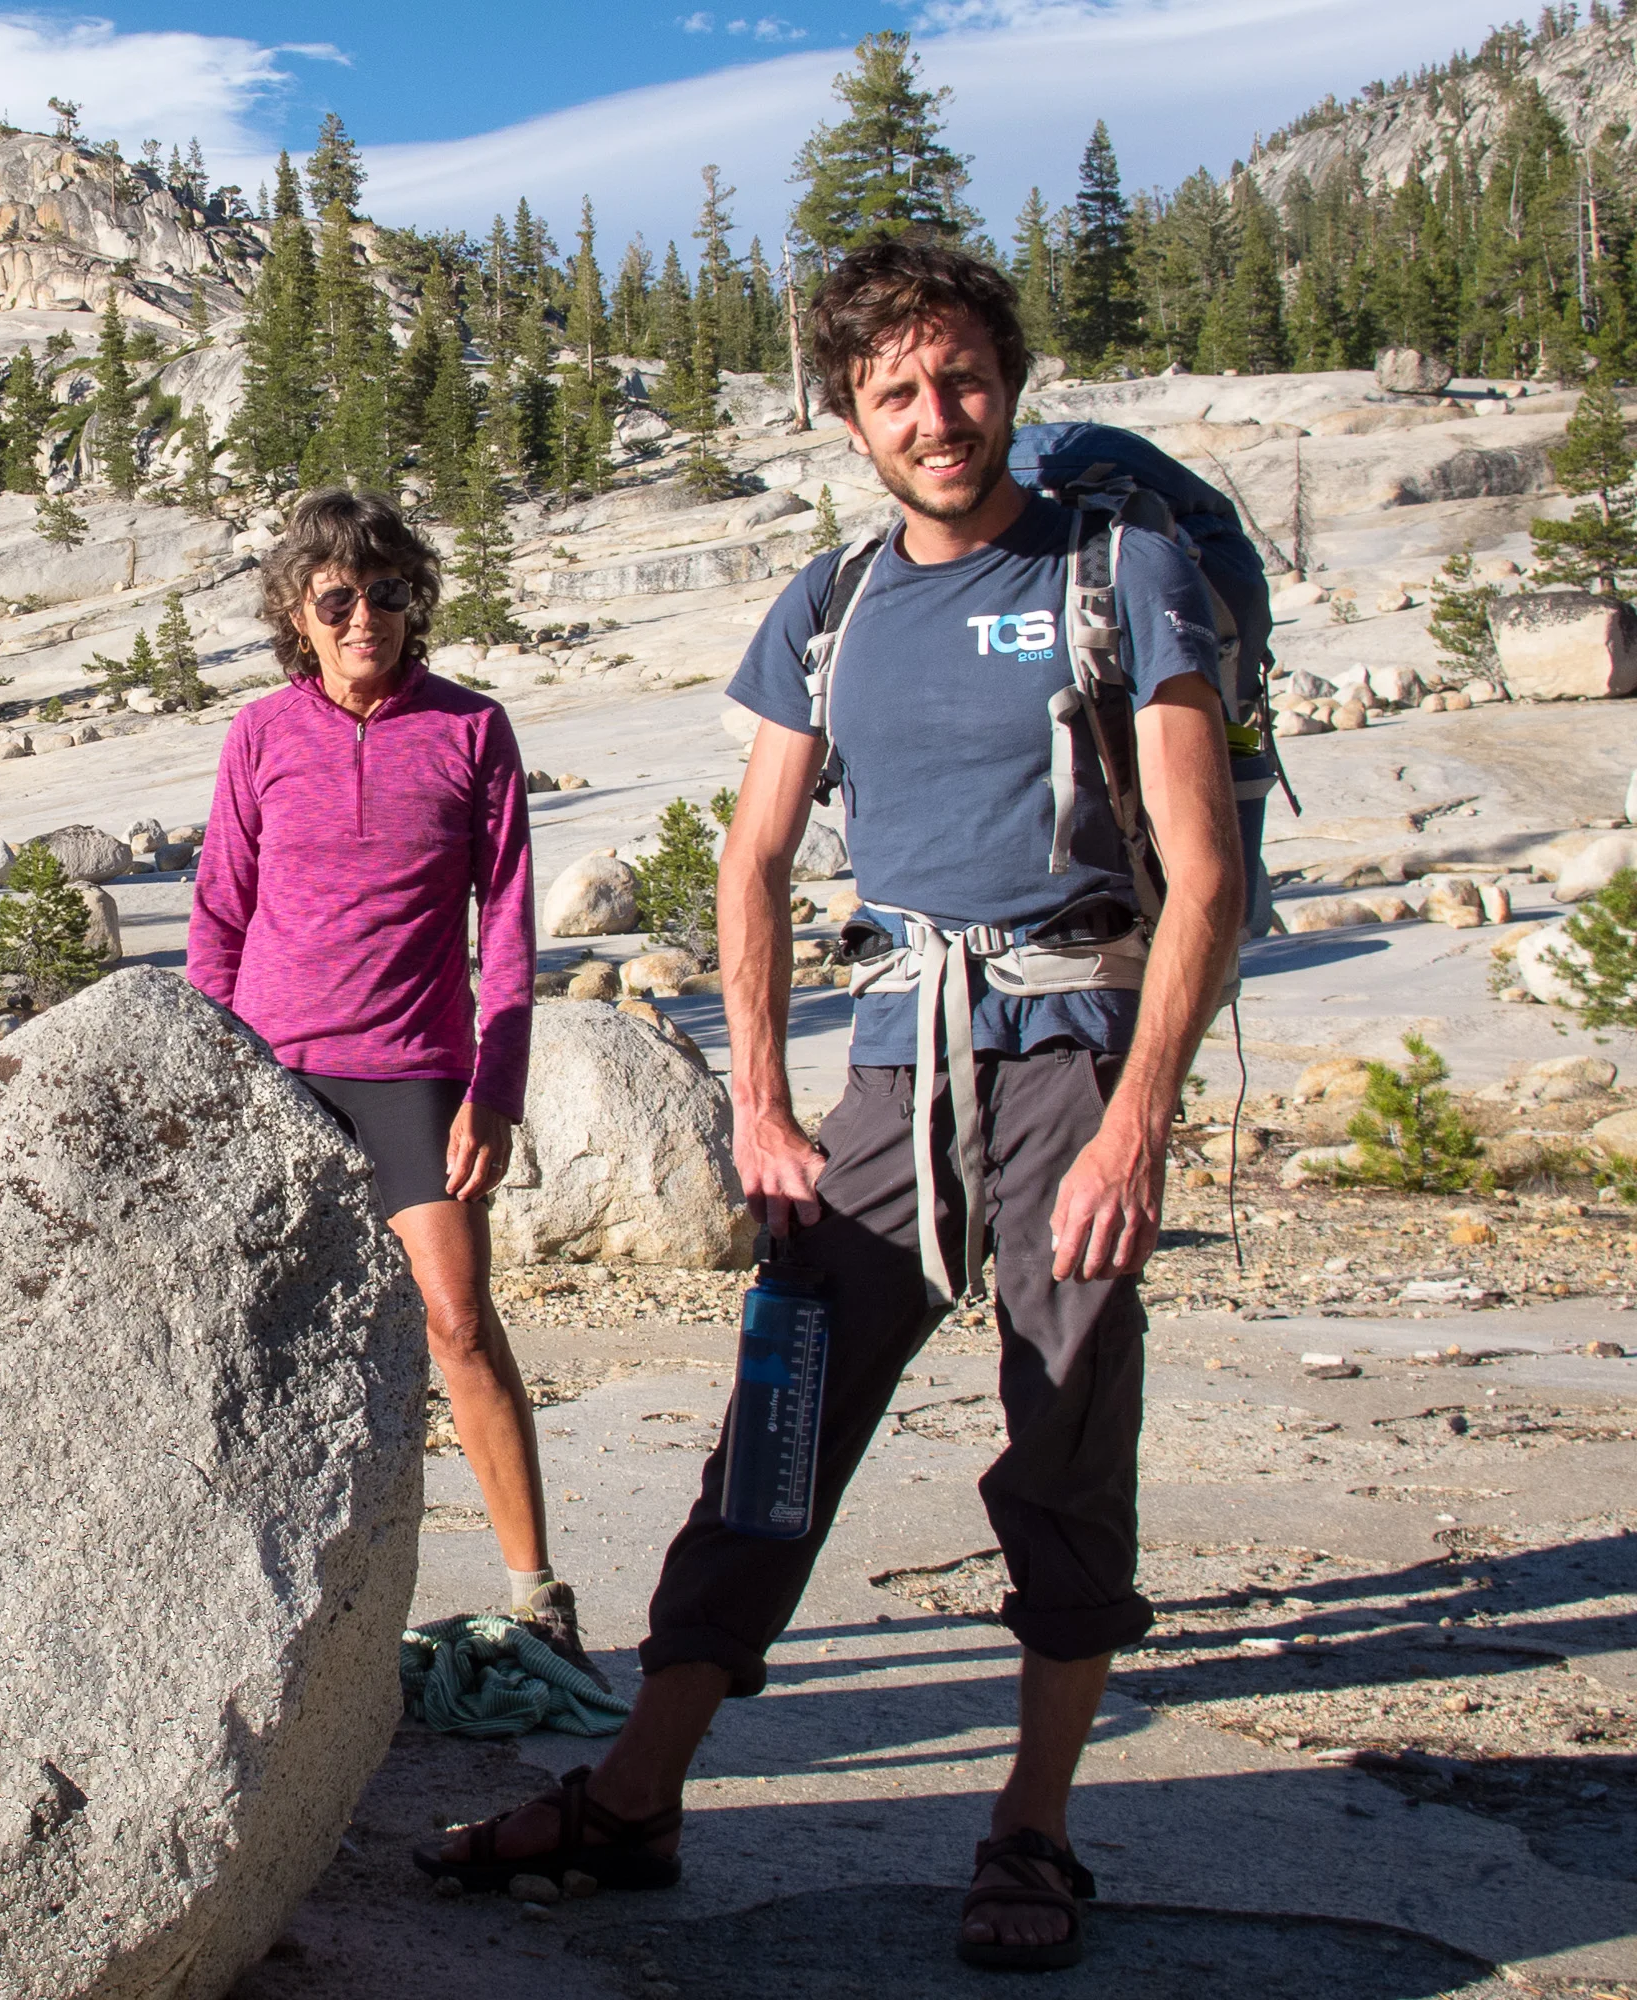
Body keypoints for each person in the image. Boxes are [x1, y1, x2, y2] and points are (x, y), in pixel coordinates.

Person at [419, 242, 1243, 1974]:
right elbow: (756, 859)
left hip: (1070, 1053)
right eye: (895, 394)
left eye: (959, 380)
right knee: (775, 1426)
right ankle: (638, 1798)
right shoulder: (831, 605)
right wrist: (763, 1106)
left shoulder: (1122, 571)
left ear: (1006, 380)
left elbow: (1205, 873)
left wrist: (1136, 1123)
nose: (935, 417)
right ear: (849, 419)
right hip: (891, 1071)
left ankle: (1032, 1830)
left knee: (1068, 1422)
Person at [189, 488, 595, 1673]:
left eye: (389, 592)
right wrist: (213, 1075)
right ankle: (252, 1609)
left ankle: (538, 1596)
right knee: (260, 1338)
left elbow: (509, 923)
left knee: (460, 1320)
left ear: (417, 603)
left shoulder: (473, 730)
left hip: (416, 1069)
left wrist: (497, 1087)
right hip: (275, 1073)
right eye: (338, 597)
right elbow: (219, 911)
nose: (366, 614)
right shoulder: (259, 736)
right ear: (298, 615)